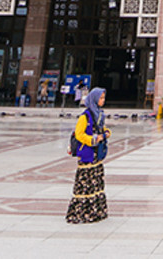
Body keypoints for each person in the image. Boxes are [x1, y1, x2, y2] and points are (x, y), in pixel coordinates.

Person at [67, 87, 110, 224]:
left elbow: (101, 129)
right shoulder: (85, 116)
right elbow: (79, 134)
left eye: (104, 98)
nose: (103, 101)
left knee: (95, 182)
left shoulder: (99, 115)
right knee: (86, 183)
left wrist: (106, 133)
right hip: (87, 153)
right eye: (101, 98)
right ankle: (82, 212)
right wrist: (93, 140)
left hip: (96, 155)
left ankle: (96, 212)